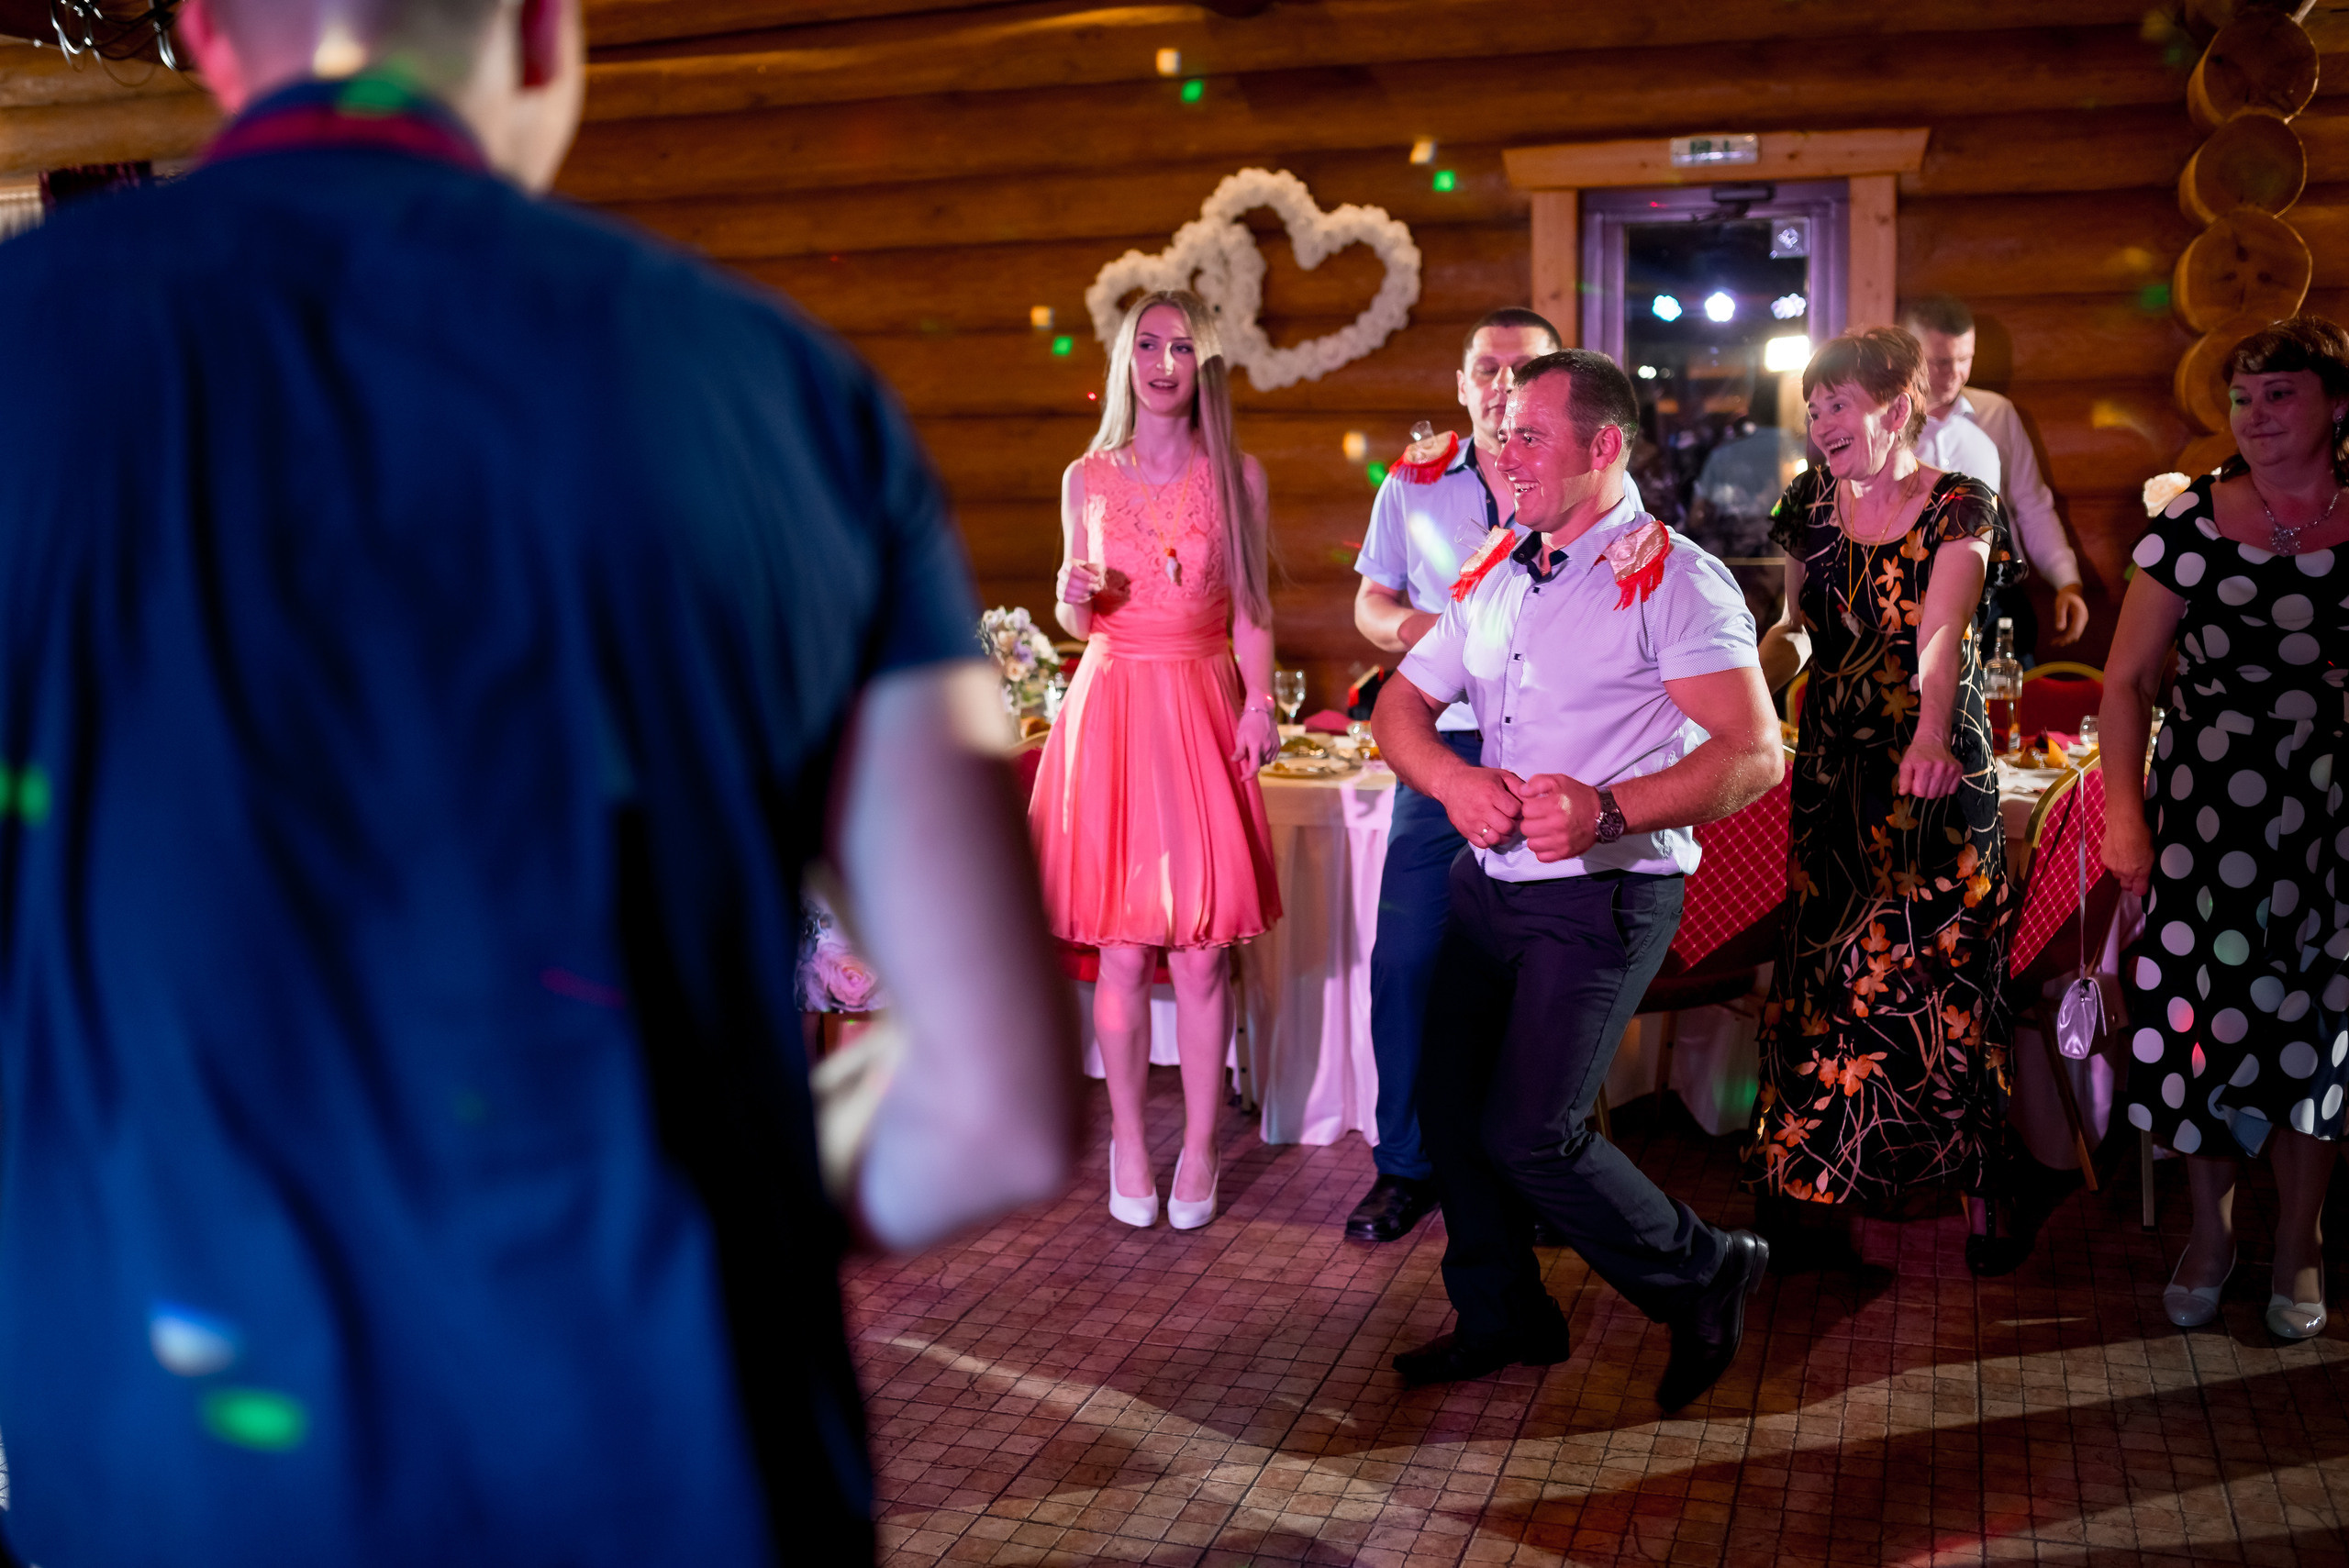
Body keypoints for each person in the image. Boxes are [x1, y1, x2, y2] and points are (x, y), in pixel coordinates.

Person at [0, 1, 1081, 1562]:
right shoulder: (776, 392)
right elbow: (995, 1105)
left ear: (208, 38)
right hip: (675, 1473)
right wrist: (700, 1179)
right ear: (540, 35)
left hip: (172, 1480)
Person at [1374, 350, 1781, 1410]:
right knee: (1448, 1107)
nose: (1502, 455)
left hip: (1604, 891)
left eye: (1526, 436)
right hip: (1488, 884)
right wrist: (1452, 784)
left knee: (1531, 1131)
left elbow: (1752, 752)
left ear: (1603, 447)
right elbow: (1397, 710)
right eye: (1500, 432)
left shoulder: (1676, 576)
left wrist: (1607, 807)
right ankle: (1503, 1314)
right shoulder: (1496, 565)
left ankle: (1703, 1268)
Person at [1746, 327, 2026, 1276]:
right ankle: (1811, 1194)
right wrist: (1745, 680)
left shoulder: (1957, 503)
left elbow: (1940, 633)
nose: (1821, 421)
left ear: (1895, 406)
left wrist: (1929, 734)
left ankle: (1984, 1190)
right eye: (1813, 405)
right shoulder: (1807, 503)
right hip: (1832, 772)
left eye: (1838, 404)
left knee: (1940, 978)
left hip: (1931, 773)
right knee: (1824, 983)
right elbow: (1792, 626)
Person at [2103, 315, 2349, 1342]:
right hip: (2209, 807)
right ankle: (2209, 1231)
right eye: (2242, 399)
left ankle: (2299, 1237)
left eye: (2279, 394)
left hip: (2335, 811)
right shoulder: (2190, 523)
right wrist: (2124, 814)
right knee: (2194, 1026)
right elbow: (2123, 683)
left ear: (2335, 404)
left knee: (2318, 1032)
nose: (2254, 417)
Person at [1031, 288, 1282, 1233]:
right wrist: (1069, 594)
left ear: (1204, 363)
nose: (1164, 362)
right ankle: (1129, 1142)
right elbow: (1075, 613)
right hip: (1114, 703)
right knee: (1123, 950)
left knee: (1205, 952)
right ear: (1124, 359)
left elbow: (1252, 608)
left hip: (1200, 696)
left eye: (1182, 346)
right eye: (1148, 344)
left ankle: (1205, 1144)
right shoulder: (1085, 476)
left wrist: (1258, 703)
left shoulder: (1238, 475)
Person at [1344, 306, 1558, 1245]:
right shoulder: (1412, 480)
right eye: (1487, 368)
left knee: (1545, 967)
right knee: (1406, 959)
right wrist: (1422, 636)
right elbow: (1369, 598)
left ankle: (1538, 1165)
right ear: (1462, 381)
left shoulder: (1575, 473)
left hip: (1552, 745)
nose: (1501, 385)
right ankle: (1406, 1164)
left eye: (1523, 369)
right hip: (1442, 743)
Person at [1901, 294, 2092, 659]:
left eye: (1964, 359)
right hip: (1913, 602)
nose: (1954, 373)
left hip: (1998, 601)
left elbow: (2033, 507)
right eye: (1940, 362)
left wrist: (2067, 582)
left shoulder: (1998, 414)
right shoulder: (1887, 425)